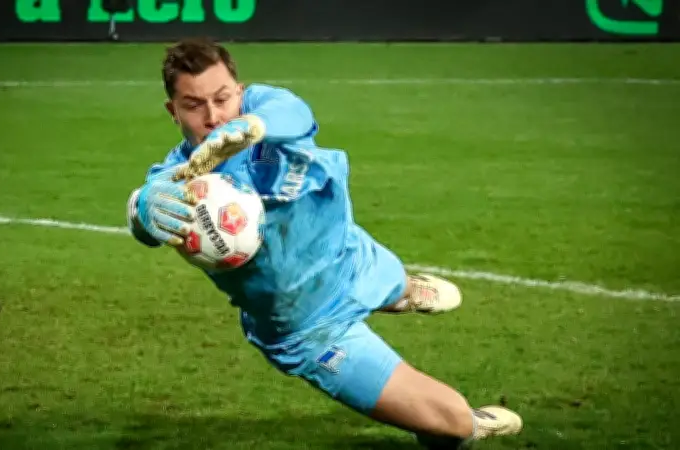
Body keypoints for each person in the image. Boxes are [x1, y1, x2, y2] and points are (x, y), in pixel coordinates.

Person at [126, 37, 523, 449]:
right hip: (309, 325)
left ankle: (401, 292)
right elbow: (147, 210)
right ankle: (461, 425)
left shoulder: (261, 107)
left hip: (351, 254)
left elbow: (295, 112)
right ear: (173, 112)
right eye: (194, 105)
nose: (213, 117)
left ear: (239, 92)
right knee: (452, 423)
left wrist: (251, 127)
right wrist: (141, 212)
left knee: (394, 281)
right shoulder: (182, 180)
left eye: (222, 99)